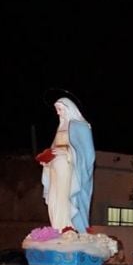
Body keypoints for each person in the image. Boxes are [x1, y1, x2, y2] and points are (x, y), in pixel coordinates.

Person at [38, 96, 95, 232]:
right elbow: (54, 148)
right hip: (55, 169)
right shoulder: (60, 127)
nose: (58, 113)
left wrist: (68, 152)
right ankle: (57, 228)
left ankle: (67, 228)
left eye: (60, 109)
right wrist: (47, 161)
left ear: (69, 109)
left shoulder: (80, 126)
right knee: (54, 199)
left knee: (64, 199)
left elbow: (88, 154)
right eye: (57, 110)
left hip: (68, 169)